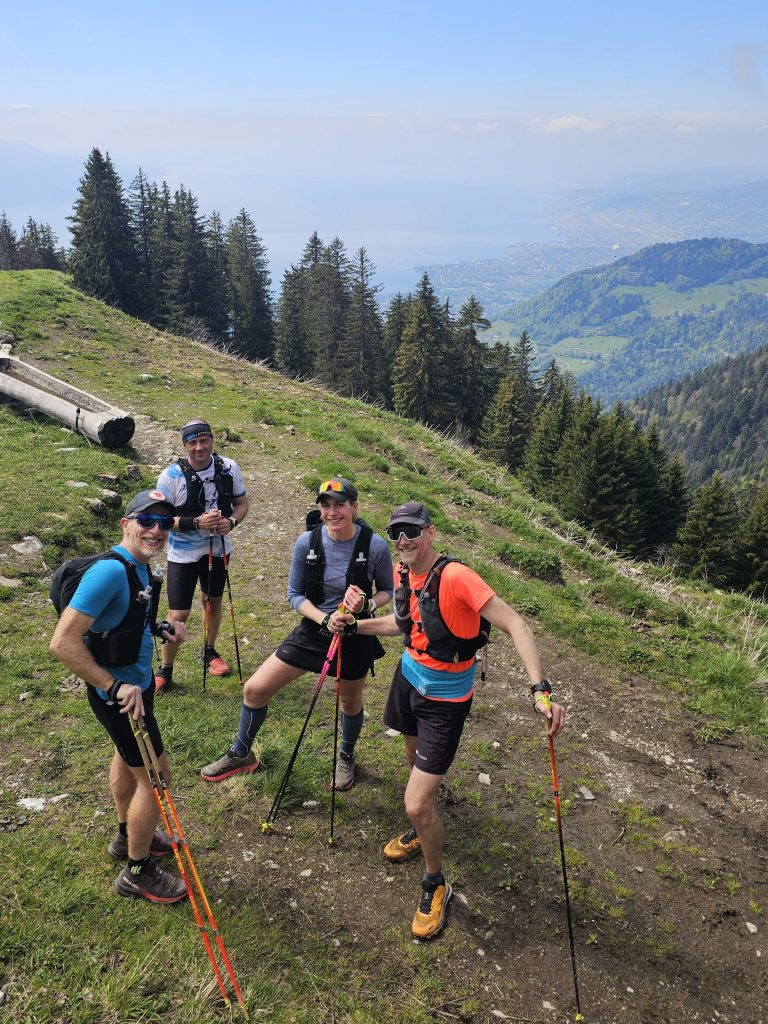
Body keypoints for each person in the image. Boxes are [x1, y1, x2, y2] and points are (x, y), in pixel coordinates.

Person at [341, 500, 566, 940]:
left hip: (446, 699)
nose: (404, 540)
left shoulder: (458, 577)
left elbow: (516, 624)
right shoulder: (403, 573)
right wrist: (354, 626)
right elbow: (403, 626)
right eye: (396, 533)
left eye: (412, 531)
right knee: (412, 763)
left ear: (431, 532)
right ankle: (419, 828)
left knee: (417, 800)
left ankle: (434, 881)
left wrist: (540, 689)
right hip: (408, 680)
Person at [201, 477, 394, 791]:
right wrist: (324, 619)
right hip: (314, 631)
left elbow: (388, 590)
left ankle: (346, 754)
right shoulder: (307, 542)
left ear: (355, 507)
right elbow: (295, 595)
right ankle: (241, 754)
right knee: (254, 689)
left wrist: (366, 605)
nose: (333, 512)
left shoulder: (374, 545)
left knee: (349, 704)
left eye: (340, 504)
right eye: (326, 505)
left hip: (355, 634)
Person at [49, 489, 190, 903]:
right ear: (125, 524)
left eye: (164, 524)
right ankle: (138, 870)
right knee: (156, 778)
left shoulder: (139, 567)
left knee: (127, 761)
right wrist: (113, 686)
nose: (156, 531)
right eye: (147, 521)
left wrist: (161, 628)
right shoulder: (110, 572)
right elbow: (62, 642)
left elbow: (125, 621)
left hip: (136, 689)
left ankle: (126, 836)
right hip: (121, 696)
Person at [155, 419, 249, 691]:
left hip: (218, 548)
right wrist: (197, 523)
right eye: (192, 442)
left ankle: (209, 651)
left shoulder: (229, 468)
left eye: (204, 440)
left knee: (213, 602)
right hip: (182, 553)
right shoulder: (170, 476)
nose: (199, 447)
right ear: (184, 445)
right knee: (178, 613)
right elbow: (161, 520)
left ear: (212, 440)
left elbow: (241, 504)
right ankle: (166, 669)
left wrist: (230, 522)